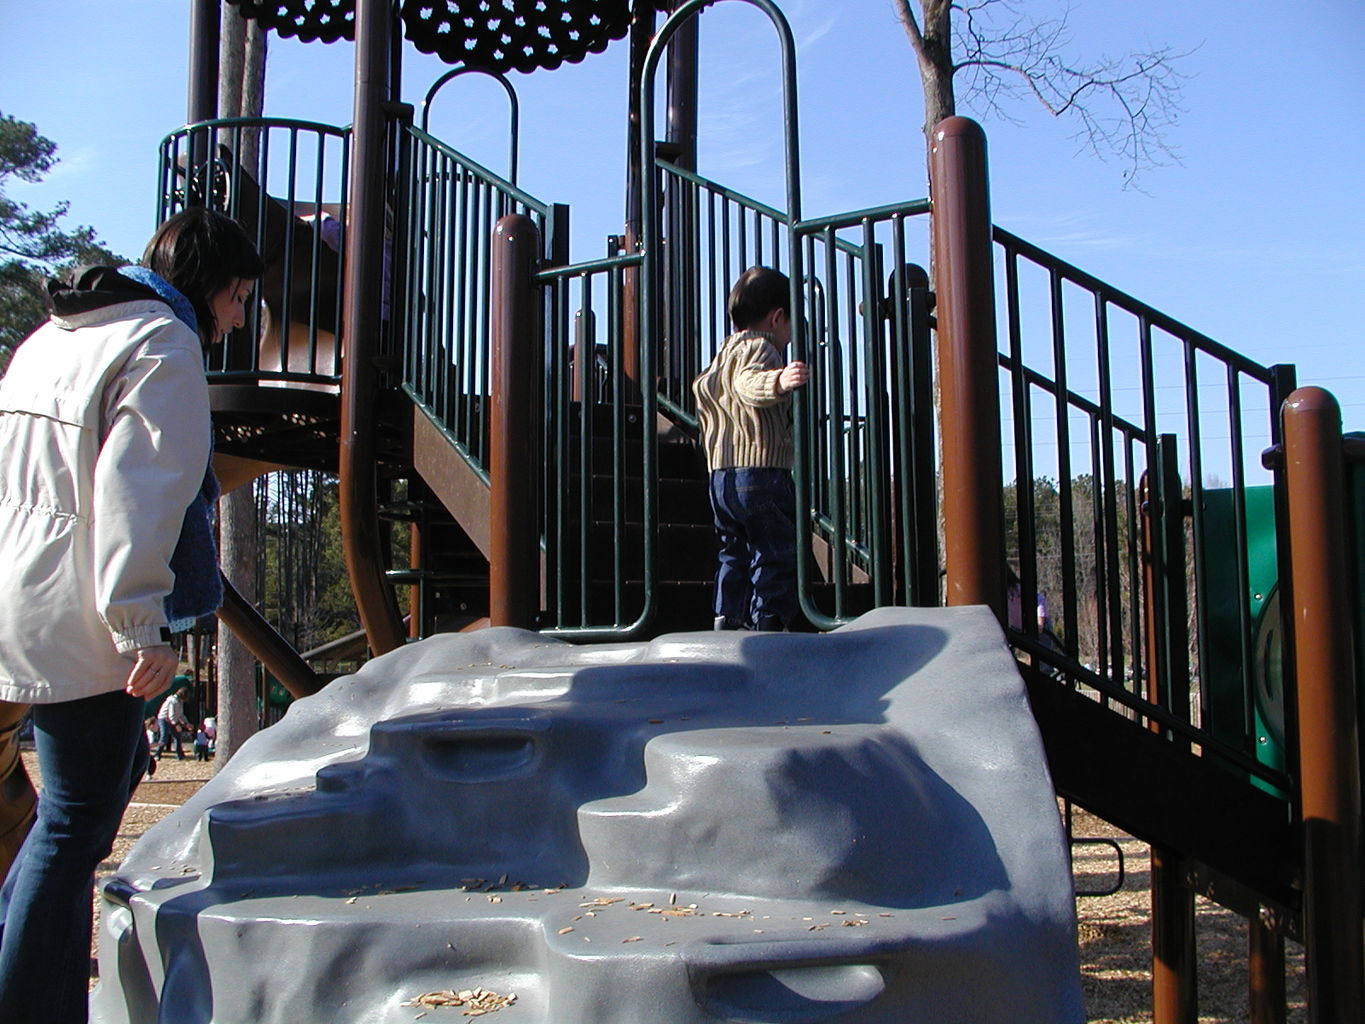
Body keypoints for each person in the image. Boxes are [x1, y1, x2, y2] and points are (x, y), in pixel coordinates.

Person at [0, 206, 262, 1023]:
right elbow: (136, 494)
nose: (239, 319)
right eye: (239, 298)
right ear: (213, 287)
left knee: (58, 820)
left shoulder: (51, 337)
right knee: (73, 828)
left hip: (15, 596)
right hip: (83, 619)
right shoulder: (162, 346)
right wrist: (140, 625)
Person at [692, 266, 809, 632]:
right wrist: (779, 381)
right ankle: (771, 621)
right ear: (777, 318)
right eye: (792, 324)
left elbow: (708, 388)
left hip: (721, 477)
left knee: (733, 551)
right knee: (774, 550)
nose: (791, 335)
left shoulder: (724, 353)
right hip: (760, 470)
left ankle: (727, 618)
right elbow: (748, 384)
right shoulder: (762, 348)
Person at [156, 685, 192, 761]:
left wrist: (186, 723)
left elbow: (180, 714)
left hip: (173, 720)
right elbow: (171, 715)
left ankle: (180, 755)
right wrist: (176, 725)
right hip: (164, 719)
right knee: (164, 737)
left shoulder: (180, 702)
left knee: (177, 737)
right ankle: (157, 754)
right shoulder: (172, 701)